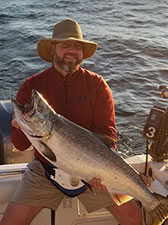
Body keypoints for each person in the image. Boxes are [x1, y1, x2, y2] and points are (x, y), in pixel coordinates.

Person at [0, 19, 142, 225]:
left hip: (92, 170)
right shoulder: (32, 86)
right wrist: (18, 126)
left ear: (83, 53)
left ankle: (156, 207)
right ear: (52, 48)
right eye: (65, 44)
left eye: (77, 46)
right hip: (45, 170)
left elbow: (108, 137)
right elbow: (20, 145)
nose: (72, 50)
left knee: (133, 216)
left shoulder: (97, 85)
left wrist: (97, 172)